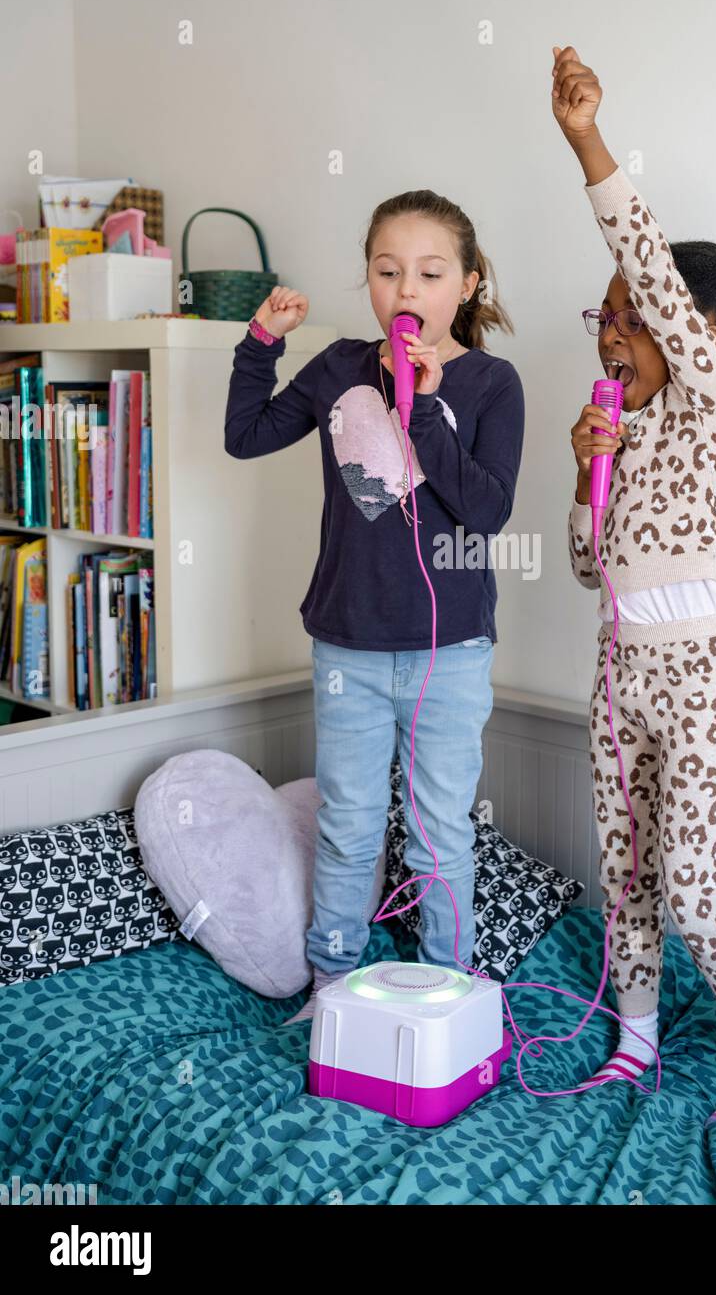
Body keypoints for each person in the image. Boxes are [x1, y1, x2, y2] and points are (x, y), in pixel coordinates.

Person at [553, 44, 716, 1127]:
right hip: (622, 673)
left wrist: (588, 142)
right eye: (600, 317)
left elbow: (648, 264)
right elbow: (585, 569)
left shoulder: (713, 406)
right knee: (629, 873)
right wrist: (583, 472)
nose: (610, 330)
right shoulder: (626, 430)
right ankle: (637, 1039)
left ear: (685, 333)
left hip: (703, 672)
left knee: (696, 882)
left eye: (627, 316)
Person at [224, 190, 524, 1023]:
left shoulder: (492, 383)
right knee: (349, 824)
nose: (406, 291)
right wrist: (260, 343)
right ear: (367, 280)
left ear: (465, 285)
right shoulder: (335, 369)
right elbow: (244, 435)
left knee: (439, 835)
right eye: (388, 272)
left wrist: (423, 406)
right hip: (346, 645)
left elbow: (487, 510)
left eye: (429, 274)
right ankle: (330, 986)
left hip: (450, 650)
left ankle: (449, 988)